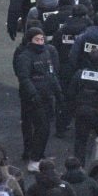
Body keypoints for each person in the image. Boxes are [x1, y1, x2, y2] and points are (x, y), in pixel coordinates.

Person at [13, 28, 62, 170]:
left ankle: (38, 155)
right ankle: (34, 159)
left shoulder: (47, 53)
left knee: (45, 128)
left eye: (42, 39)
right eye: (37, 39)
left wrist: (58, 93)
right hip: (34, 99)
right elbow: (24, 78)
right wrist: (34, 95)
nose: (40, 42)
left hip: (46, 97)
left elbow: (51, 74)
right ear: (30, 40)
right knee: (42, 127)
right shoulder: (25, 57)